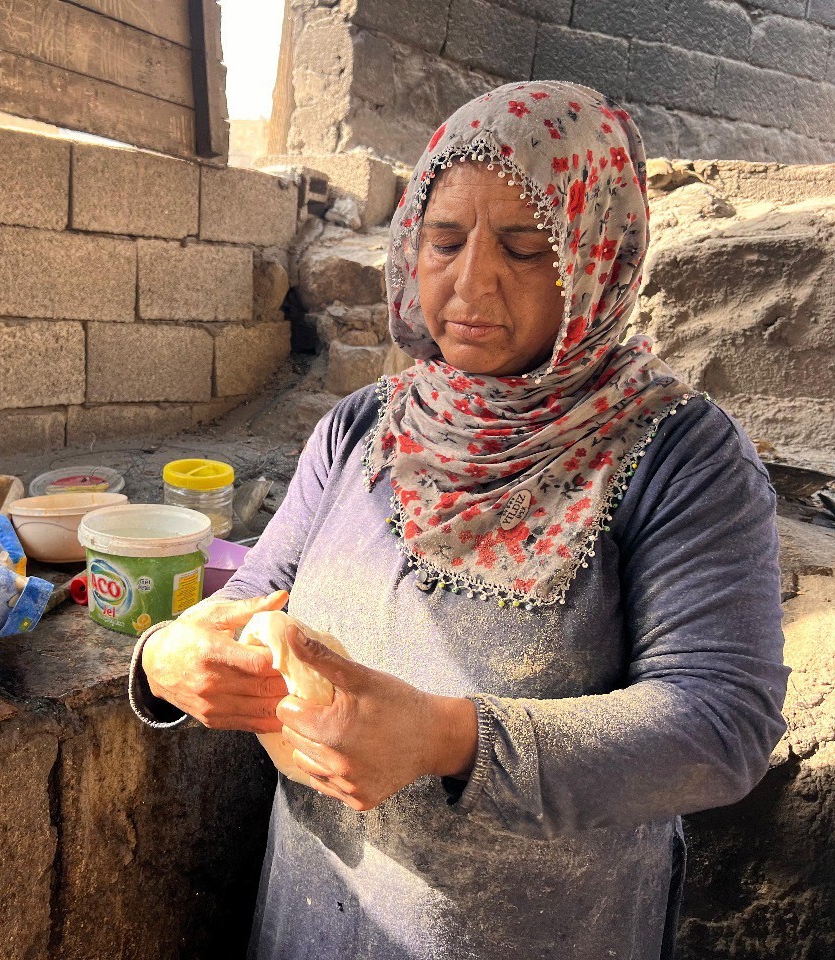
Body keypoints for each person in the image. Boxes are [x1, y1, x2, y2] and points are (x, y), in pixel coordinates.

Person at [127, 81, 790, 959]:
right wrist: (166, 656)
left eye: (523, 247)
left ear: (597, 257)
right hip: (317, 914)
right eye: (444, 239)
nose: (470, 281)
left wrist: (443, 737)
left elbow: (719, 723)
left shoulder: (682, 458)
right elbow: (253, 593)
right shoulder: (363, 425)